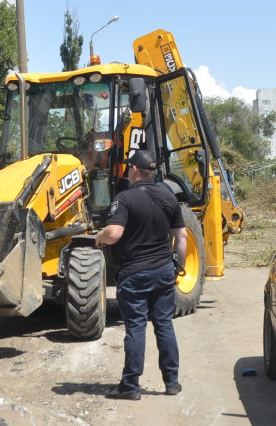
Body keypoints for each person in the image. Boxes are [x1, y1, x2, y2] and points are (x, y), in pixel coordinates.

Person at [94, 150, 187, 400]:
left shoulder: (124, 198)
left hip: (135, 273)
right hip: (163, 271)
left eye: (128, 168)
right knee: (164, 325)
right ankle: (172, 382)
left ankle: (131, 386)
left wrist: (99, 238)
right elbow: (182, 236)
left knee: (135, 328)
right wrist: (179, 265)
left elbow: (113, 233)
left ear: (134, 169)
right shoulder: (169, 197)